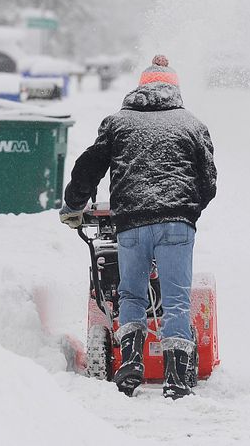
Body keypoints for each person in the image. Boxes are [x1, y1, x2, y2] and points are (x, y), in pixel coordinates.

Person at [60, 55, 216, 399]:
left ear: (140, 89)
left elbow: (88, 168)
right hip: (177, 224)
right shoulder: (192, 124)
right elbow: (208, 182)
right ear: (175, 90)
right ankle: (177, 380)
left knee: (130, 294)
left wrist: (73, 205)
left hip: (131, 223)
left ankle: (130, 364)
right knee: (176, 301)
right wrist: (187, 212)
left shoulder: (118, 123)